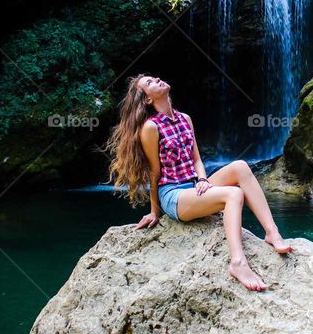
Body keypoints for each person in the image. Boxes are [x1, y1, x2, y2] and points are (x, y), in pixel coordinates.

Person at [107, 74, 293, 291]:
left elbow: (196, 160)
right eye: (149, 83)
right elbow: (154, 173)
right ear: (147, 99)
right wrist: (154, 212)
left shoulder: (185, 119)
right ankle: (237, 263)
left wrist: (203, 179)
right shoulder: (151, 127)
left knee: (241, 167)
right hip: (174, 194)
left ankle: (272, 233)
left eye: (154, 77)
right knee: (233, 194)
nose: (156, 79)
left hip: (195, 186)